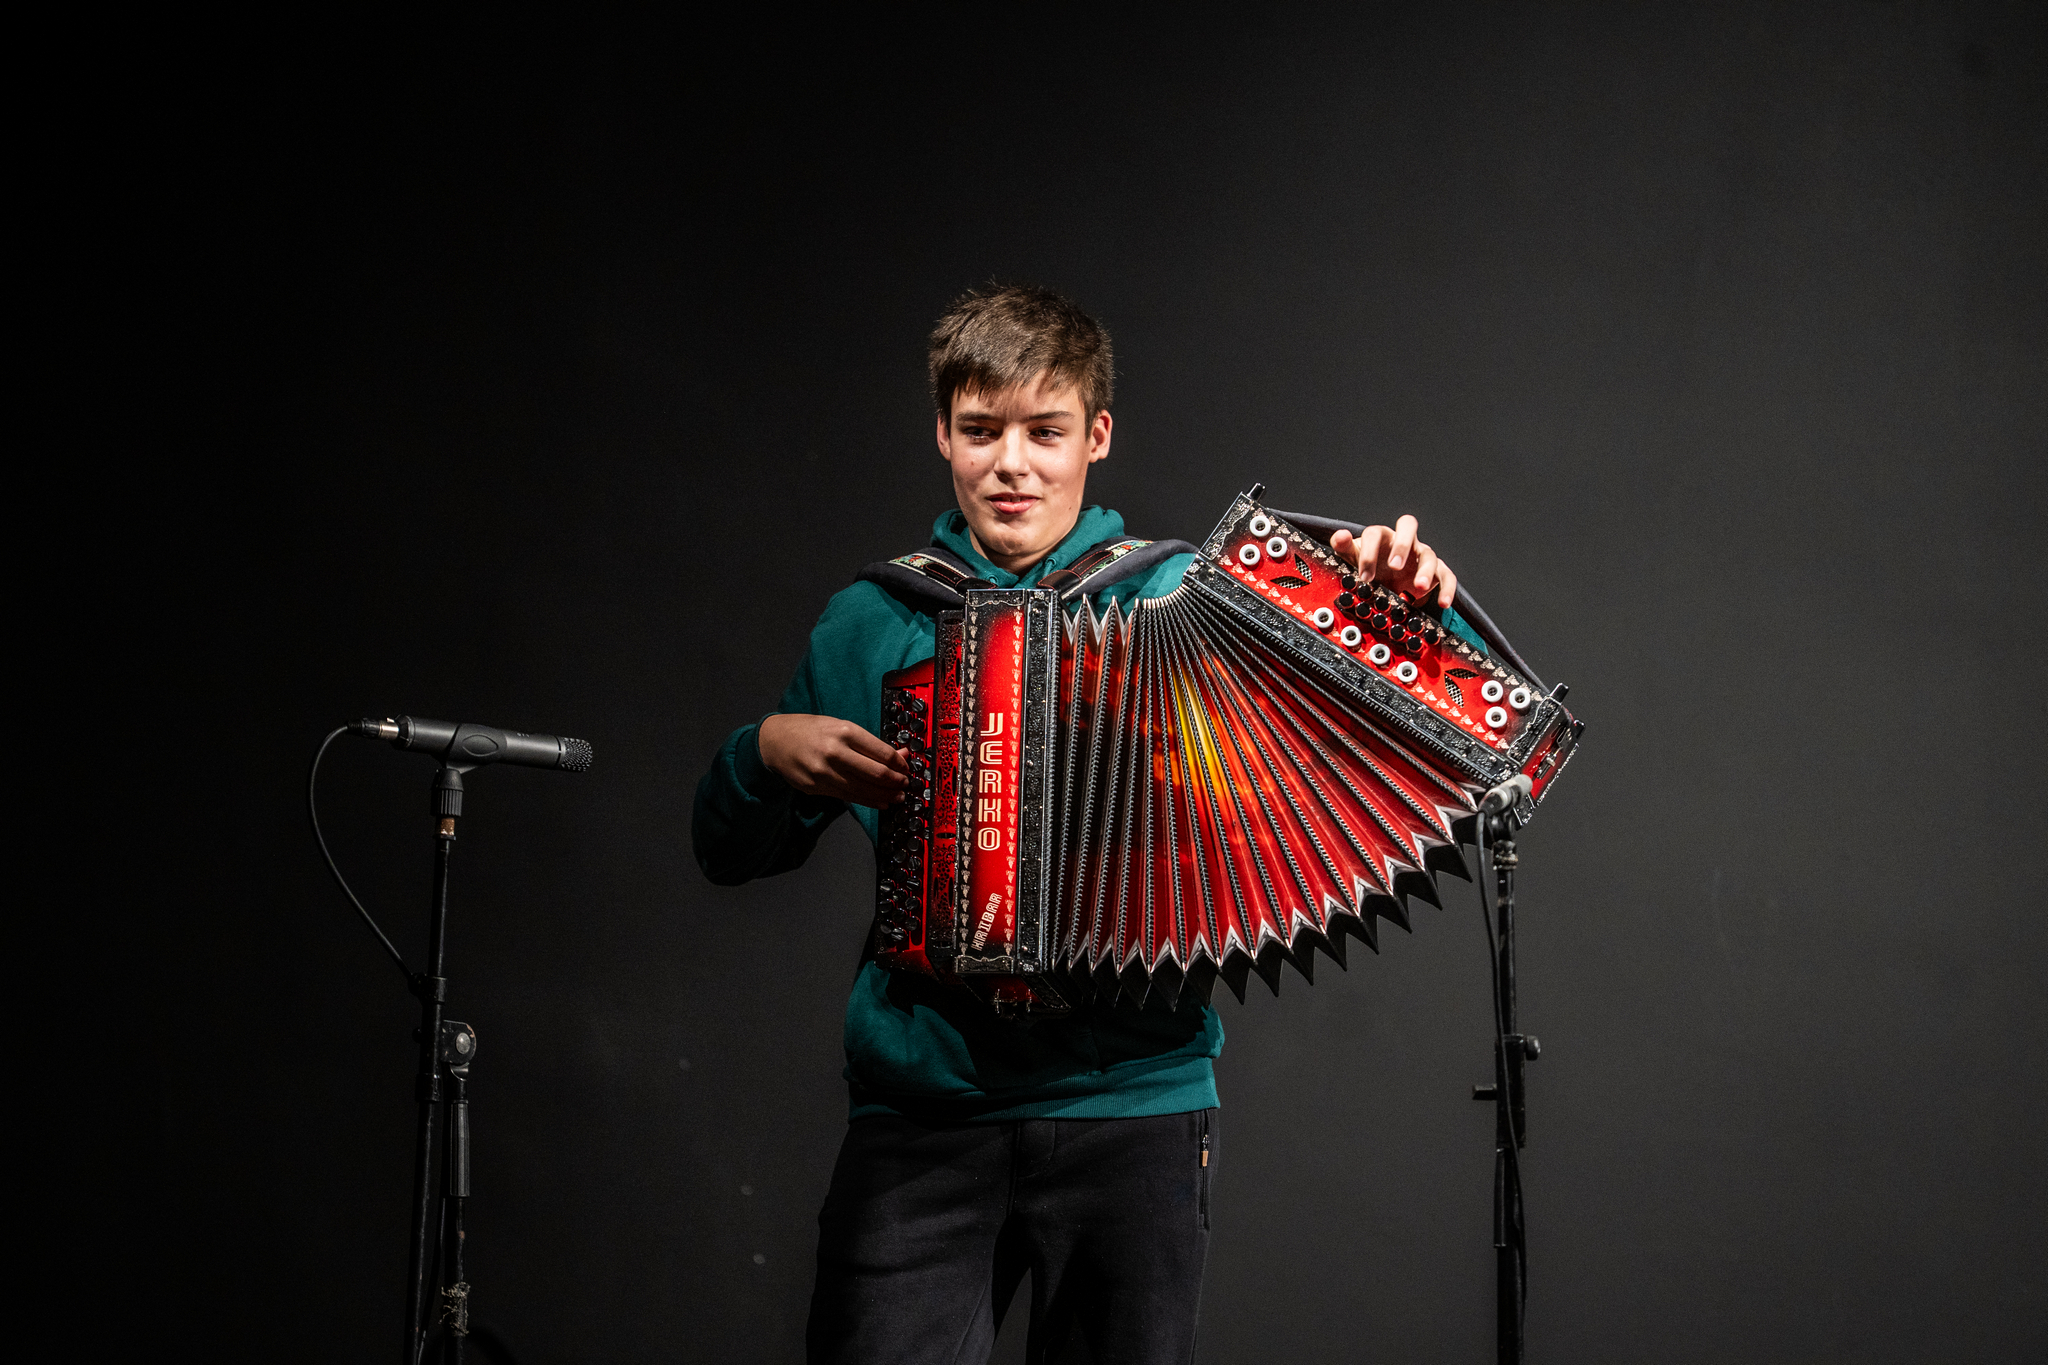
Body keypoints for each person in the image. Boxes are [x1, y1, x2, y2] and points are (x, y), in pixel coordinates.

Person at [692, 284, 1483, 1364]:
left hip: (1137, 1109)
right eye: (980, 431)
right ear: (942, 435)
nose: (1010, 464)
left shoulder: (1187, 600)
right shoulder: (869, 622)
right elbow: (728, 851)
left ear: (1096, 436)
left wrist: (1402, 603)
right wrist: (764, 752)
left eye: (1045, 432)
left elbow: (1375, 729)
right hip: (923, 1117)